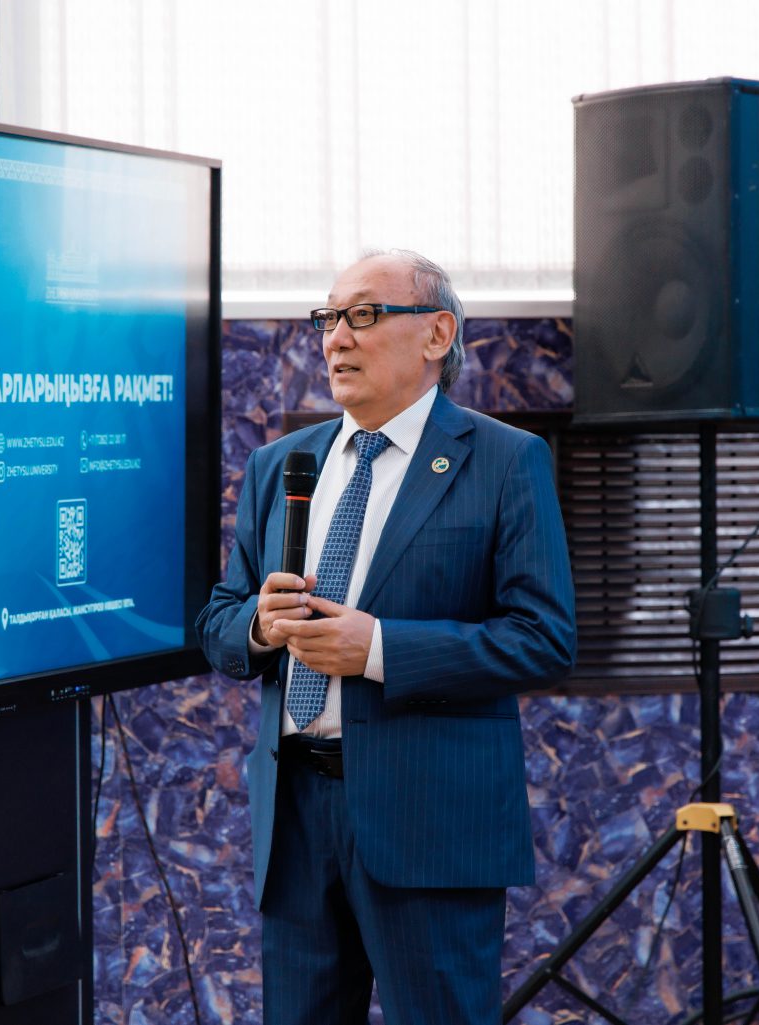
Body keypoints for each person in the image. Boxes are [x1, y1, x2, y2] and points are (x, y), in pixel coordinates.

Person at [197, 249, 576, 1023]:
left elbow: (542, 637)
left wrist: (377, 649)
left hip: (429, 824)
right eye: (328, 317)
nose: (336, 337)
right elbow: (219, 619)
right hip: (296, 822)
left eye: (363, 315)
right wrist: (261, 626)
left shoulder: (505, 460)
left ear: (437, 334)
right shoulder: (281, 465)